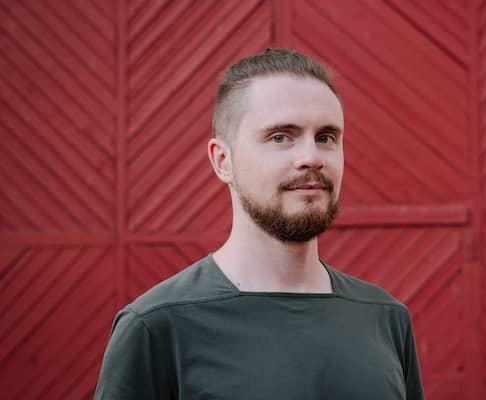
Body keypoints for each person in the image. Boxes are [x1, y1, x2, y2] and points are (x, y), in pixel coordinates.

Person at [95, 48, 424, 400]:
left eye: (326, 137)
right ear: (223, 161)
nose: (311, 157)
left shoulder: (386, 320)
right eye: (281, 137)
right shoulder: (156, 327)